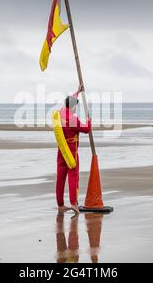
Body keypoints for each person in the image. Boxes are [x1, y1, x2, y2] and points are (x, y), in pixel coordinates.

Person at [56, 84, 92, 214]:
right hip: (71, 151)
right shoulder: (72, 118)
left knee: (60, 177)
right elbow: (86, 129)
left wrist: (78, 91)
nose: (76, 108)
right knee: (73, 176)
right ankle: (74, 204)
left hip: (61, 150)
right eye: (75, 106)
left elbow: (70, 100)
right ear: (72, 106)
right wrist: (88, 120)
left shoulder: (61, 112)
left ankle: (60, 205)